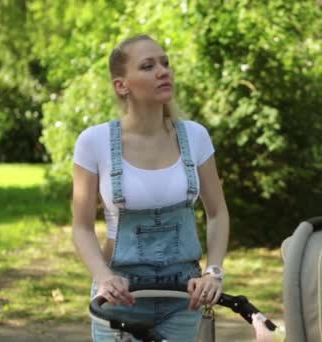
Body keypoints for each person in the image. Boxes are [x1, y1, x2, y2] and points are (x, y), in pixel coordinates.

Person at [71, 34, 230, 341]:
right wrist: (103, 277)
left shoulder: (195, 136)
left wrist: (213, 271)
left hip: (185, 297)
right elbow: (82, 228)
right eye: (148, 66)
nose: (163, 71)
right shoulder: (94, 142)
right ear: (122, 85)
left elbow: (217, 212)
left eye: (165, 63)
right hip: (120, 297)